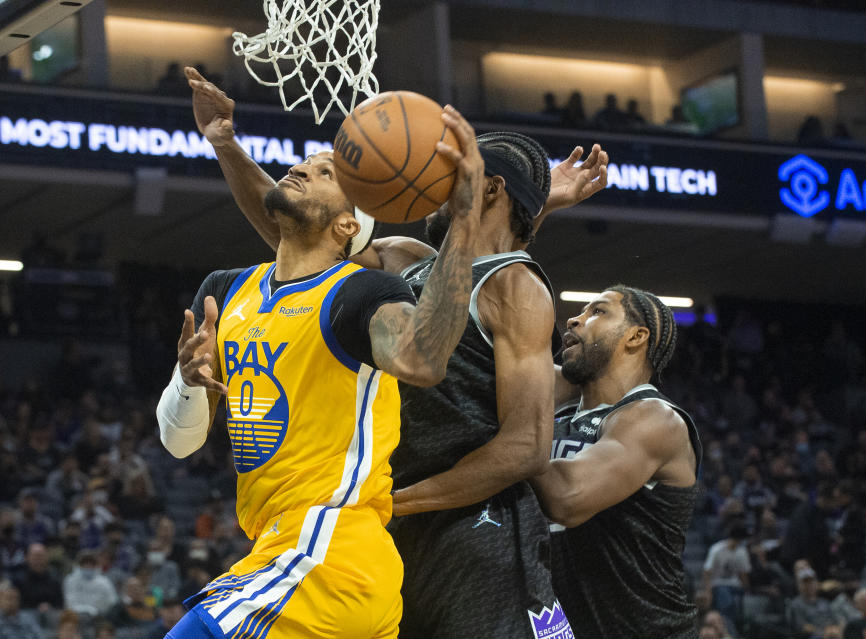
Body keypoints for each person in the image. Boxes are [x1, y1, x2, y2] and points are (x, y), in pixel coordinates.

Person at [184, 67, 608, 638]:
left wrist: (391, 500)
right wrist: (227, 148)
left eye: (449, 171)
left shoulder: (520, 289)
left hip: (471, 535)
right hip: (383, 529)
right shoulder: (407, 257)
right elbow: (301, 239)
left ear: (488, 188)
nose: (432, 182)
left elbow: (526, 448)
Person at [157, 70, 486, 638]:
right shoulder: (224, 290)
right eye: (306, 161)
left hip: (327, 551)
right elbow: (179, 442)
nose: (305, 166)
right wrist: (188, 382)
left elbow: (425, 361)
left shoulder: (361, 293)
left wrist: (463, 218)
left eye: (327, 170)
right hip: (291, 553)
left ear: (347, 225)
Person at [531, 287, 702, 638]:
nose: (575, 319)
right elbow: (491, 360)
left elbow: (567, 497)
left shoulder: (654, 419)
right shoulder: (565, 405)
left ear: (636, 337)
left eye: (599, 312)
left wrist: (513, 438)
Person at [703, 524, 751, 626]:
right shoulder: (716, 549)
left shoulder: (742, 551)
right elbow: (707, 571)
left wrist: (747, 590)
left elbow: (743, 574)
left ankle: (738, 624)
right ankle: (727, 625)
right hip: (718, 584)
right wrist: (708, 592)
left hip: (735, 585)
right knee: (725, 597)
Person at [788, 566, 843, 639]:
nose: (809, 585)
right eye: (805, 582)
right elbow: (803, 627)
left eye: (811, 582)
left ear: (816, 583)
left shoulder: (824, 602)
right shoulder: (796, 604)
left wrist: (836, 630)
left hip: (832, 633)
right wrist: (823, 633)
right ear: (799, 585)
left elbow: (837, 621)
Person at [63, 550, 118, 617]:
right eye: (85, 564)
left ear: (96, 565)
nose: (88, 567)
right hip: (74, 615)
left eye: (91, 564)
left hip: (98, 616)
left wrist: (96, 611)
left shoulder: (104, 582)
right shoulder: (70, 580)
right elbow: (69, 601)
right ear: (79, 565)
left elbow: (112, 601)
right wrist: (81, 609)